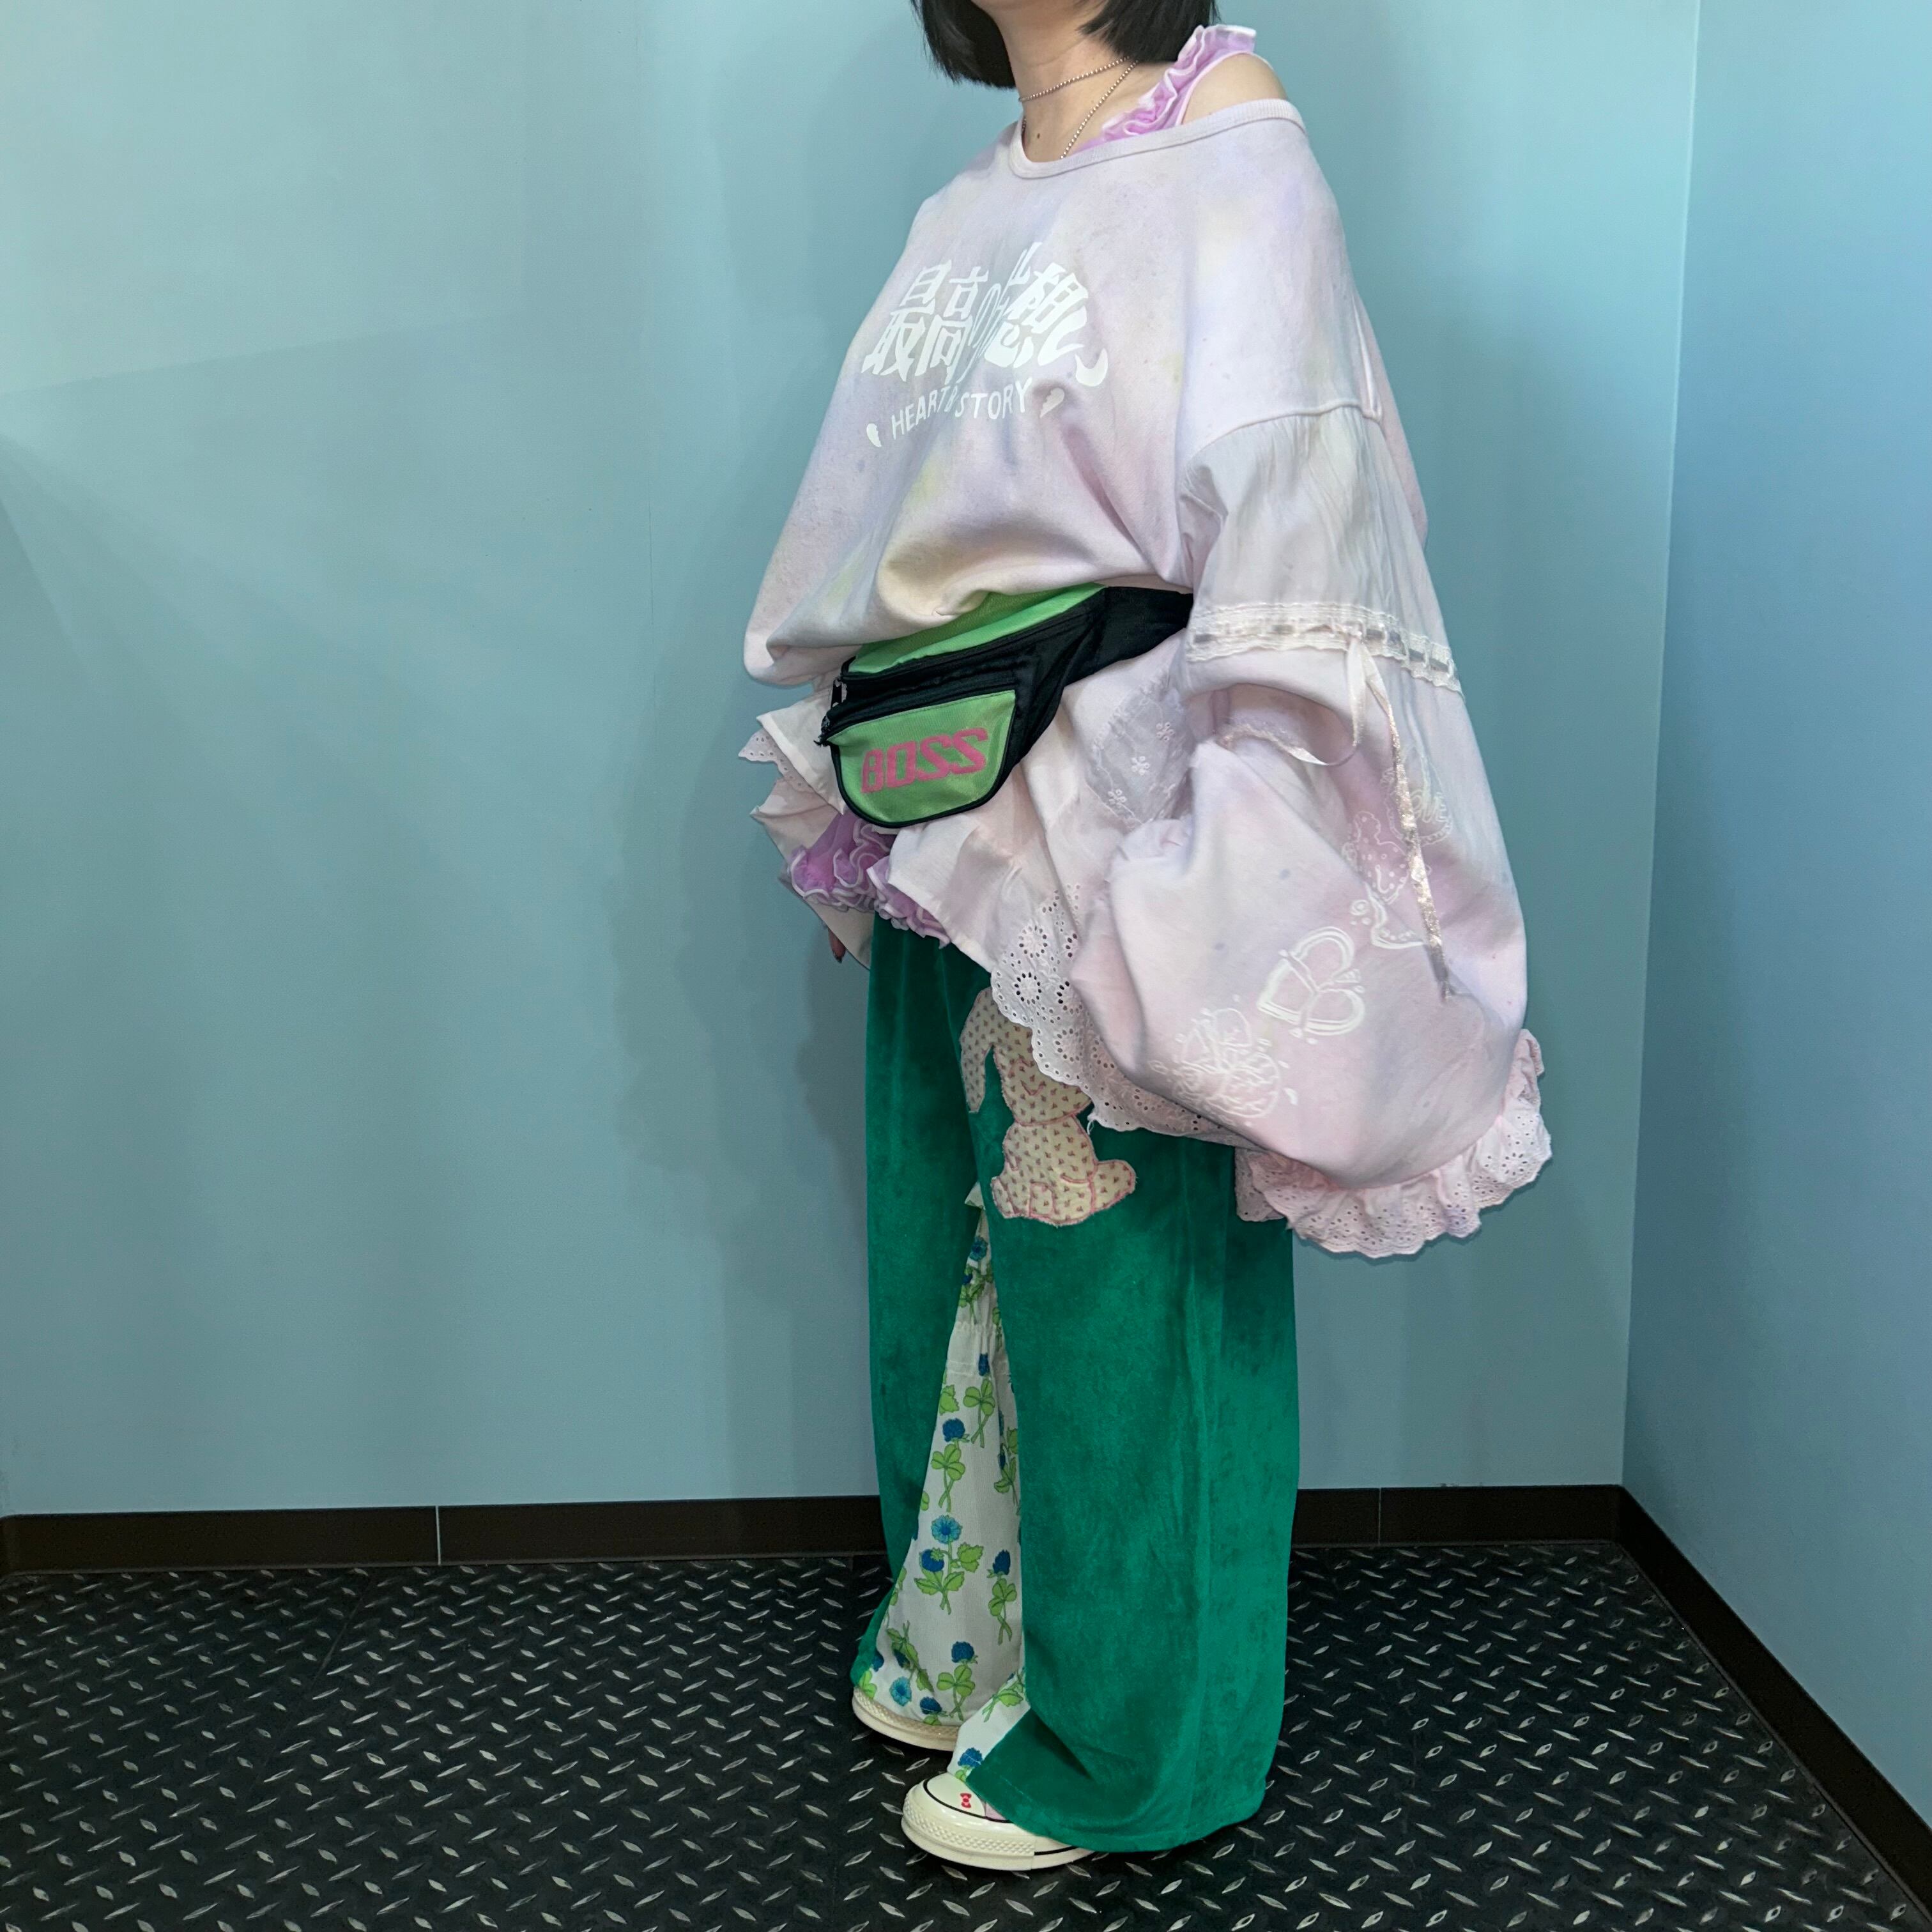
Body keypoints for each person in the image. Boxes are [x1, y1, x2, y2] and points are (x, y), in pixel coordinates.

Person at [740, 0, 1550, 1874]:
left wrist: (1211, 881)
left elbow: (1304, 535)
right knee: (951, 1261)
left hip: (1121, 829)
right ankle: (968, 1641)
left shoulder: (1237, 167)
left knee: (1126, 1295)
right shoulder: (977, 200)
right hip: (947, 806)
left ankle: (1138, 1746)